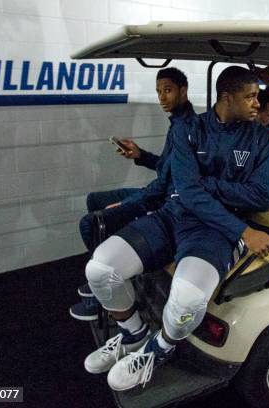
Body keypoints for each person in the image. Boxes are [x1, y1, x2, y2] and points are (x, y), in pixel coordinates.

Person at [82, 66, 269, 391]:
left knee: (186, 301)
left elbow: (262, 195)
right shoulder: (189, 129)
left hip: (216, 231)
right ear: (227, 98)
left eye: (257, 96)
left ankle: (159, 349)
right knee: (101, 268)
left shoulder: (260, 138)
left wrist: (210, 185)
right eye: (251, 96)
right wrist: (239, 223)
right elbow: (186, 191)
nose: (258, 103)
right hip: (174, 215)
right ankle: (134, 334)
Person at [70, 67, 195, 320]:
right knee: (94, 200)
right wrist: (140, 155)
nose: (162, 97)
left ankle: (105, 292)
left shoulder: (187, 128)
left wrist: (125, 203)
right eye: (159, 91)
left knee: (90, 224)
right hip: (157, 190)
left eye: (168, 91)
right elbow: (165, 169)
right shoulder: (177, 124)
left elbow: (162, 186)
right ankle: (110, 273)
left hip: (162, 199)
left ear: (183, 91)